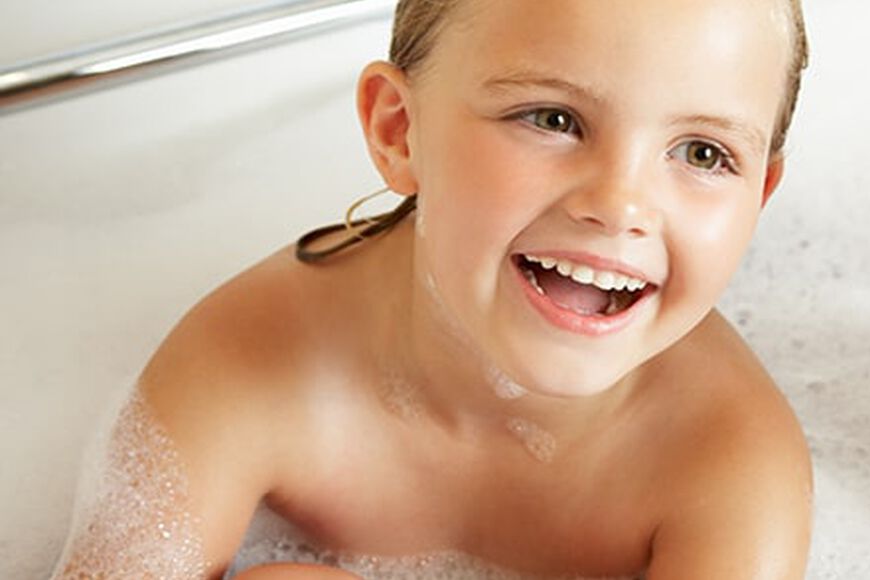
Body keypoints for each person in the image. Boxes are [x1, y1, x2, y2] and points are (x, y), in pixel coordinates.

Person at [55, 0, 812, 577]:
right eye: (553, 118)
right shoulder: (253, 362)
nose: (620, 205)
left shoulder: (726, 467)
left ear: (761, 195)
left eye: (704, 153)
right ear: (397, 131)